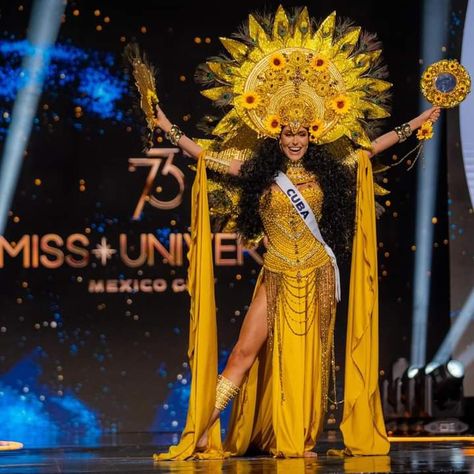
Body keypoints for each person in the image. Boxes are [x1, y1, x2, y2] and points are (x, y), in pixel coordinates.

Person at [146, 6, 441, 460]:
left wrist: (420, 121)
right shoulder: (257, 172)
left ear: (314, 133)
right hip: (278, 274)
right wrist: (165, 125)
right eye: (288, 133)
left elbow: (372, 149)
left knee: (310, 364)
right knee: (243, 353)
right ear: (276, 133)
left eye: (303, 133)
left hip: (320, 273)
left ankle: (300, 439)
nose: (296, 140)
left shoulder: (330, 171)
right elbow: (202, 155)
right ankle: (201, 433)